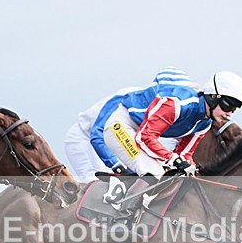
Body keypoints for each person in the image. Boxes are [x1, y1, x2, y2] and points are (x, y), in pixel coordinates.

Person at [91, 70, 242, 179]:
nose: (230, 113)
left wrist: (193, 170)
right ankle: (123, 214)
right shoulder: (177, 105)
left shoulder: (205, 123)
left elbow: (184, 155)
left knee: (178, 177)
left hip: (141, 132)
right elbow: (145, 138)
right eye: (228, 106)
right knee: (153, 172)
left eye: (235, 108)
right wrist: (174, 160)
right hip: (121, 125)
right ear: (213, 96)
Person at [63, 68, 195, 182]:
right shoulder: (129, 97)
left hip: (115, 141)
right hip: (85, 139)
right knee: (98, 187)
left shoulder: (167, 109)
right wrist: (117, 167)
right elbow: (97, 135)